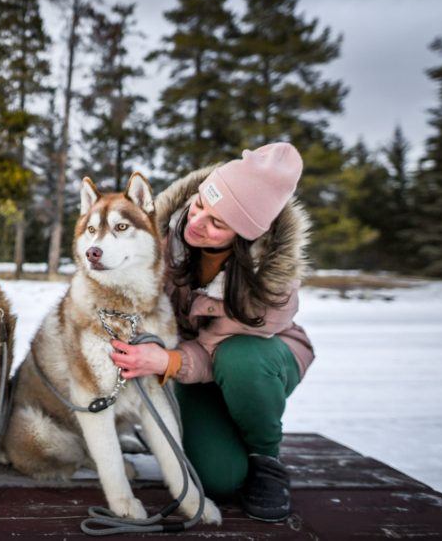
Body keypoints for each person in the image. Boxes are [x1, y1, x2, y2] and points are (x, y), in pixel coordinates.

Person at [109, 142, 314, 522]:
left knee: (240, 360)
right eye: (200, 203)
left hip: (257, 360)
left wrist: (167, 361)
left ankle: (266, 458)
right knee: (219, 479)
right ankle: (221, 435)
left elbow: (215, 350)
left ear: (245, 237)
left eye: (217, 224)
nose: (196, 222)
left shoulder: (271, 283)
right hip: (191, 369)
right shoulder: (160, 235)